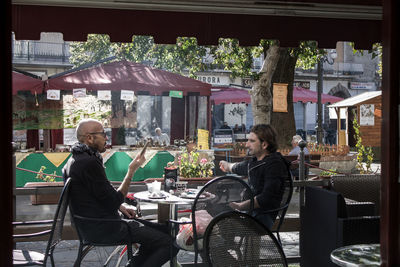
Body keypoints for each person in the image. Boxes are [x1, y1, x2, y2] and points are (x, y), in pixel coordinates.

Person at [63, 119, 178, 267]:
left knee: (165, 230)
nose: (106, 138)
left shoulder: (77, 158)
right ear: (90, 138)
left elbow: (102, 194)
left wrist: (121, 207)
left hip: (91, 225)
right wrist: (131, 170)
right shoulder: (88, 162)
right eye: (103, 134)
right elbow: (114, 199)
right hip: (105, 228)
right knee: (170, 243)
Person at [219, 124, 291, 229]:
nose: (247, 145)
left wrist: (240, 206)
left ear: (264, 145)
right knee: (213, 213)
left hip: (261, 218)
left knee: (219, 222)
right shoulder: (256, 161)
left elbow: (266, 198)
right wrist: (227, 165)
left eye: (252, 141)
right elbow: (239, 167)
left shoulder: (275, 165)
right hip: (250, 214)